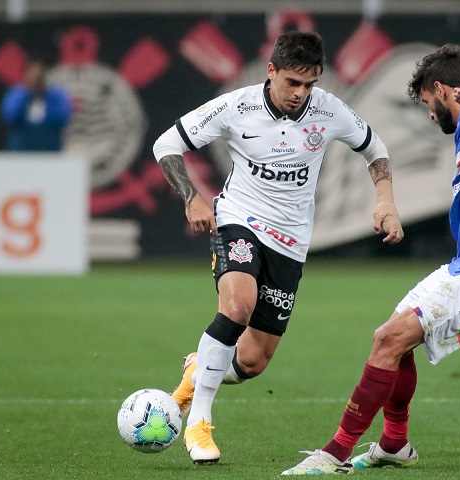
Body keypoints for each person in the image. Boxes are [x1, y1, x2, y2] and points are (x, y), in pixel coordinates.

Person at [281, 43, 460, 475]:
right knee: (397, 339)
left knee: (387, 341)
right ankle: (394, 444)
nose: (431, 115)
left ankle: (334, 453)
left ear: (440, 89)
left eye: (429, 104)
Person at [151, 31, 404, 465]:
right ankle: (199, 424)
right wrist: (191, 195)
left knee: (251, 362)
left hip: (291, 242)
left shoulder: (329, 111)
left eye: (310, 84)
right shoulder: (237, 107)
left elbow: (374, 148)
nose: (301, 94)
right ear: (271, 72)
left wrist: (385, 201)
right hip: (240, 221)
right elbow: (167, 143)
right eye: (292, 82)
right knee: (237, 308)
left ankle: (198, 370)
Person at [0, 58, 72, 151]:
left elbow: (62, 118)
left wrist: (46, 95)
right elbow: (9, 117)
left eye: (40, 74)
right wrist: (27, 95)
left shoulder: (56, 94)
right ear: (25, 74)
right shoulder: (16, 93)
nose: (36, 77)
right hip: (20, 149)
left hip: (50, 149)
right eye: (32, 73)